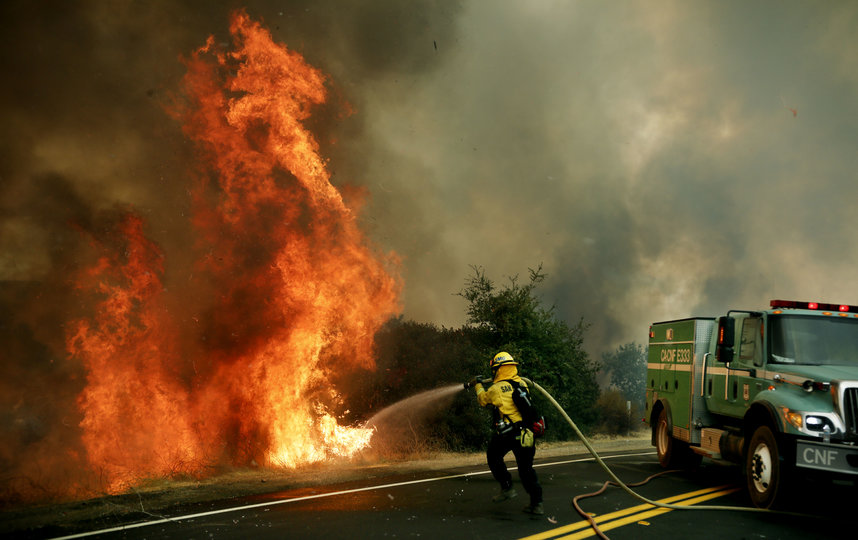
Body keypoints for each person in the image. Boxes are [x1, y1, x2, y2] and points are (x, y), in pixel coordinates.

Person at [467, 351, 544, 515]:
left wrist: (478, 385)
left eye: (494, 369)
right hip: (526, 433)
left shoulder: (496, 388)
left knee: (493, 457)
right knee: (526, 470)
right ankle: (537, 504)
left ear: (498, 369)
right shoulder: (522, 384)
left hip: (508, 433)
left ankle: (507, 488)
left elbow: (483, 400)